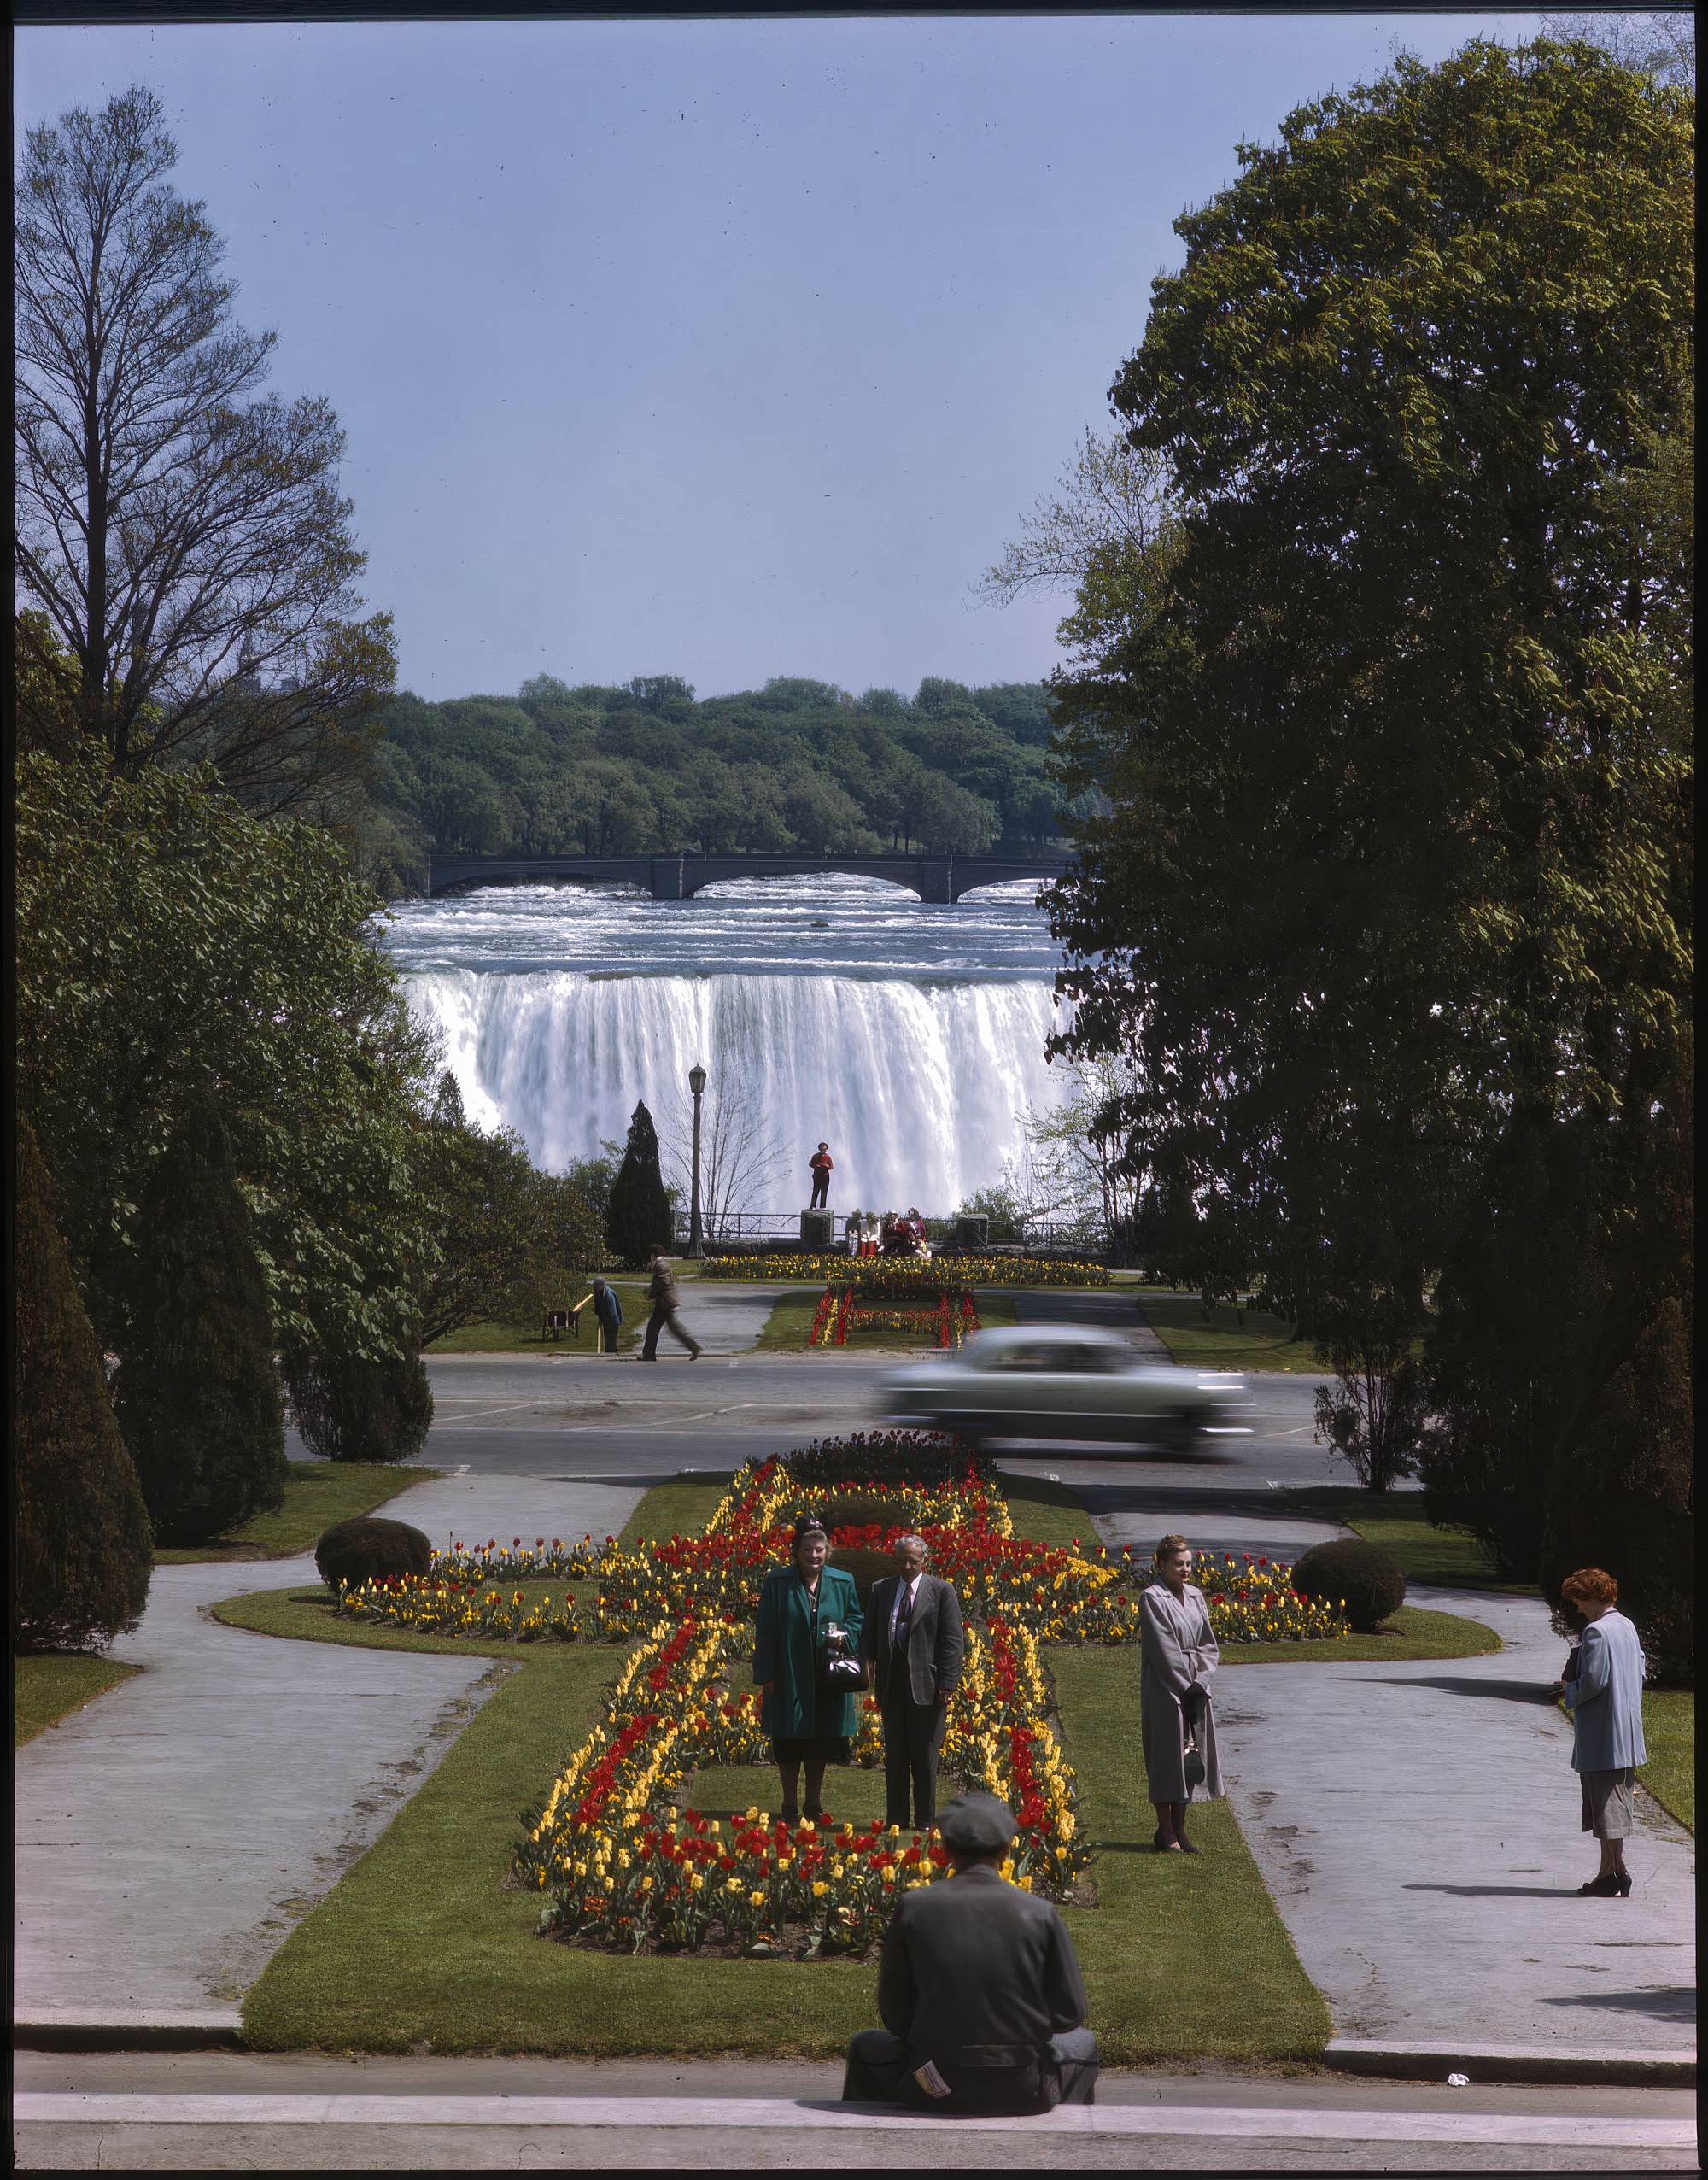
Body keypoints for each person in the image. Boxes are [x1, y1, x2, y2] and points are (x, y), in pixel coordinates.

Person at [841, 1790, 1099, 2113]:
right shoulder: (1040, 1913)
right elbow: (1070, 2013)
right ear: (1006, 1850)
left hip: (931, 2085)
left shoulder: (914, 1908)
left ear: (947, 1849)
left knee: (865, 2045)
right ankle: (1069, 2141)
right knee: (1083, 2043)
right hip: (1022, 2088)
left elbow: (895, 2013)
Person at [752, 1517, 864, 1825]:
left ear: (828, 1550)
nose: (814, 1556)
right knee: (788, 1741)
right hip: (788, 1673)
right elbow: (765, 1629)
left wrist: (843, 1634)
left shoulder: (843, 1582)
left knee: (819, 1741)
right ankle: (789, 1804)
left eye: (819, 1549)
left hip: (827, 1675)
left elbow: (856, 1619)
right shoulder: (777, 1582)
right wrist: (767, 1674)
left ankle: (813, 1804)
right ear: (796, 1550)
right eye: (807, 1549)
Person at [860, 1534, 964, 1831]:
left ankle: (925, 1820)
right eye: (902, 1560)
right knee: (895, 1757)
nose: (907, 1566)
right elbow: (868, 1633)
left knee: (924, 1757)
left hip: (928, 1687)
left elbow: (953, 1641)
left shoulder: (942, 1591)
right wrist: (866, 1664)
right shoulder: (882, 1589)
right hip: (891, 1684)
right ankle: (896, 1819)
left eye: (913, 1561)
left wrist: (948, 1683)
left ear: (925, 1561)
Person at [1555, 1568, 1647, 1897]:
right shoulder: (1626, 1625)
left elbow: (1593, 1681)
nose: (1577, 1607)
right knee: (1616, 1803)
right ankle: (1615, 1871)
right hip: (1626, 1732)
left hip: (1603, 1734)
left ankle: (1609, 1874)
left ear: (1594, 1597)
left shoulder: (1596, 1631)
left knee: (1605, 1805)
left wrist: (1568, 1691)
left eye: (1579, 1599)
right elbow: (1640, 1670)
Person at [1139, 1533, 1223, 1851]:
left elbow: (1208, 1644)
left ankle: (1179, 1829)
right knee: (1166, 1756)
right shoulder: (1152, 1598)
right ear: (1162, 1565)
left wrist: (1201, 1681)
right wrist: (1185, 1686)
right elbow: (1164, 1649)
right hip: (1165, 1686)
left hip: (1196, 1687)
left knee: (1190, 1755)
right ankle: (1166, 1831)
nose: (1186, 1569)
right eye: (1179, 1564)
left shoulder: (1196, 1596)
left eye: (1189, 1564)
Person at [639, 1244, 702, 1362]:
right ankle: (693, 1348)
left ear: (653, 1255)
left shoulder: (661, 1265)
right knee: (663, 1328)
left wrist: (651, 1290)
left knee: (655, 1328)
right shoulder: (661, 1264)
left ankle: (649, 1355)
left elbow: (665, 1282)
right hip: (663, 1301)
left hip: (664, 1302)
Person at [567, 1275, 623, 1355]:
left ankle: (612, 1354)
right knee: (607, 1339)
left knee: (611, 1339)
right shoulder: (598, 1293)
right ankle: (609, 1353)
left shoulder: (609, 1295)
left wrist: (614, 1322)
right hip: (606, 1319)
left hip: (612, 1321)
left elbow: (613, 1312)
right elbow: (598, 1305)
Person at [809, 1142, 834, 1210]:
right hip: (817, 1175)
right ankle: (812, 1205)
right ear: (819, 1149)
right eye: (822, 1149)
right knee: (815, 1190)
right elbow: (810, 1164)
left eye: (824, 1150)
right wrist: (816, 1165)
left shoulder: (828, 1157)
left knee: (824, 1191)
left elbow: (831, 1167)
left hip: (825, 1176)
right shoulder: (815, 1156)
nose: (823, 1151)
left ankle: (822, 1207)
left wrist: (825, 1166)